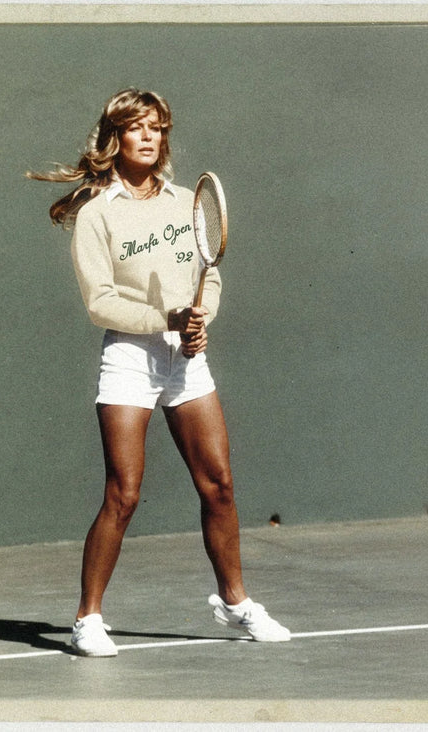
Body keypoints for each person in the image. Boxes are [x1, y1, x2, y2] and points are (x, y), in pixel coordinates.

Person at [28, 88, 290, 657]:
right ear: (116, 137)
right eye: (136, 128)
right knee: (123, 494)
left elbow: (207, 276)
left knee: (218, 485)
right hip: (128, 358)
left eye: (157, 128)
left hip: (185, 358)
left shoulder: (184, 203)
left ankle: (236, 603)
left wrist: (201, 319)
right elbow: (99, 302)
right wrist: (161, 317)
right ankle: (87, 619)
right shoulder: (97, 214)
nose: (148, 137)